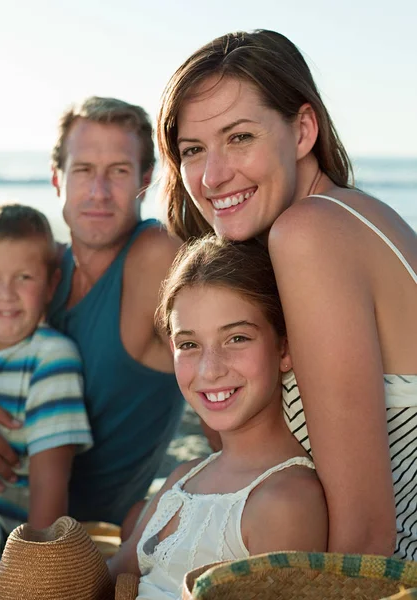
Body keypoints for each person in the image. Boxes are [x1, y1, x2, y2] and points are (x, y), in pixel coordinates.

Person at [156, 29, 417, 559]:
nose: (212, 175)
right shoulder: (347, 218)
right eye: (192, 150)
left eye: (240, 137)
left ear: (302, 131)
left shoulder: (309, 233)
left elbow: (366, 538)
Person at [0, 235, 328, 600]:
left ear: (284, 347)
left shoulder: (285, 502)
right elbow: (101, 583)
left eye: (237, 338)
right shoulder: (182, 480)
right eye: (189, 344)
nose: (210, 369)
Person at [0, 97, 184, 528]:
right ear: (57, 179)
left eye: (118, 172)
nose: (99, 192)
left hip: (72, 541)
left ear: (145, 180)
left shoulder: (156, 256)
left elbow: (223, 387)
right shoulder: (36, 270)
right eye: (83, 170)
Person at [0, 204, 92, 572]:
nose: (6, 293)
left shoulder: (50, 358)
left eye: (24, 277)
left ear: (51, 284)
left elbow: (49, 485)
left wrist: (33, 573)